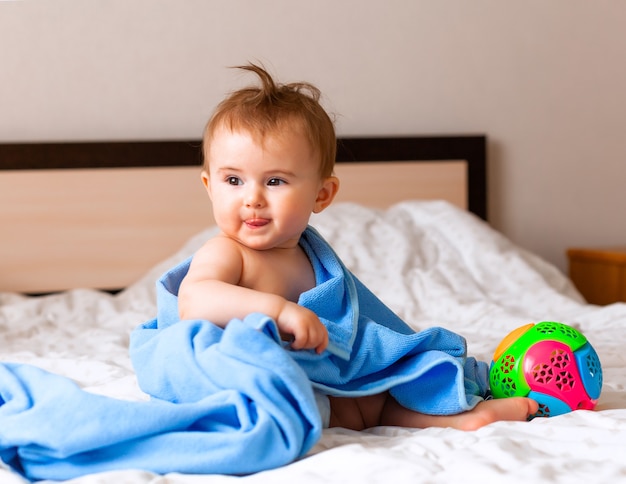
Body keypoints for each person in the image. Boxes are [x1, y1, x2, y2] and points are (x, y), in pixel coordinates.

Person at [177, 63, 538, 432]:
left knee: (377, 394)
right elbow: (194, 300)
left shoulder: (312, 256)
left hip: (323, 376)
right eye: (233, 179)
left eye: (274, 181)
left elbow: (352, 325)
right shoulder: (227, 252)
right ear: (209, 185)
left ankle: (456, 418)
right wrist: (279, 311)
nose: (252, 198)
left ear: (322, 194)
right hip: (263, 378)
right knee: (329, 404)